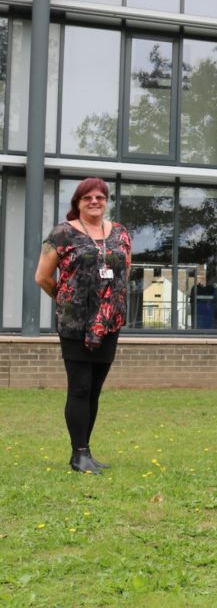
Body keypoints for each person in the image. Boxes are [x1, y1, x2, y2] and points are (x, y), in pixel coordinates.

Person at [35, 178, 131, 475]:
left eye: (100, 197)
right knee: (80, 387)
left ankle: (86, 450)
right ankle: (79, 454)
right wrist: (67, 300)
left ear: (106, 201)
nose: (94, 201)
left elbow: (124, 273)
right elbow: (42, 277)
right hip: (75, 324)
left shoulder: (121, 233)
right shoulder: (62, 234)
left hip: (109, 322)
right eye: (87, 197)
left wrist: (108, 306)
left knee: (95, 391)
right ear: (77, 202)